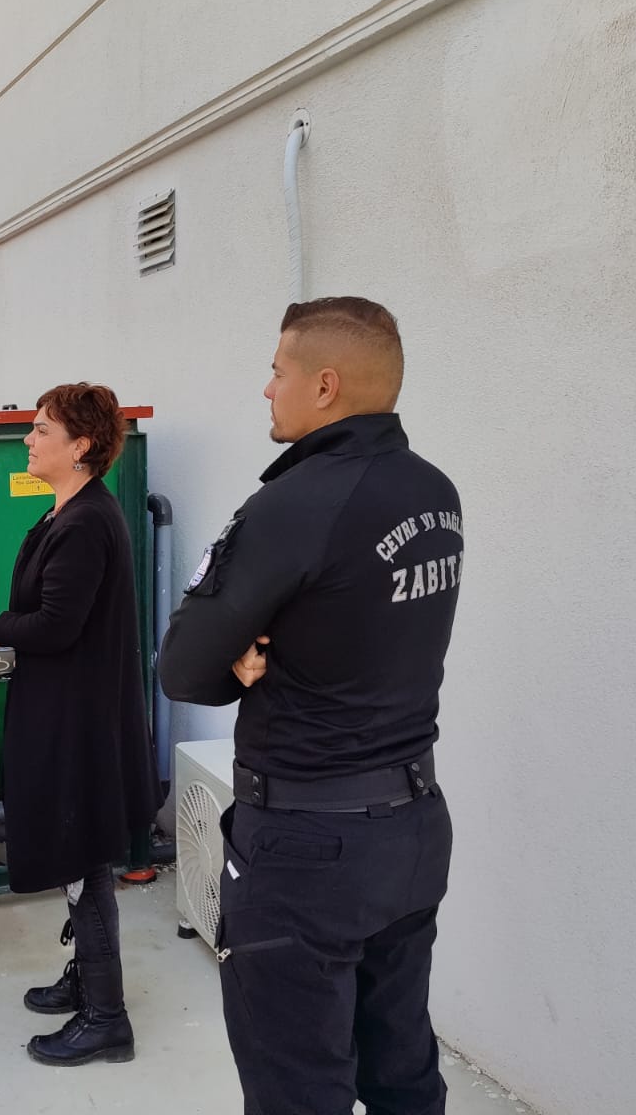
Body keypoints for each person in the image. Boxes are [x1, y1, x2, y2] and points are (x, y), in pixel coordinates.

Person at [158, 298, 463, 1115]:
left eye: (278, 371)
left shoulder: (295, 504)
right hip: (412, 830)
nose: (267, 389)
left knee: (298, 1091)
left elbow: (183, 668)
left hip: (307, 850)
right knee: (402, 1072)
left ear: (325, 386)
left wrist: (238, 669)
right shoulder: (435, 493)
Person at [0, 382, 161, 1067]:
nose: (28, 439)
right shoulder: (72, 513)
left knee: (83, 864)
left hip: (76, 727)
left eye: (42, 430)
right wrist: (6, 647)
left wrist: (0, 631)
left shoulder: (85, 523)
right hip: (68, 713)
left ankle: (107, 1018)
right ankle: (87, 980)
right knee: (80, 861)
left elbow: (56, 624)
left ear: (80, 445)